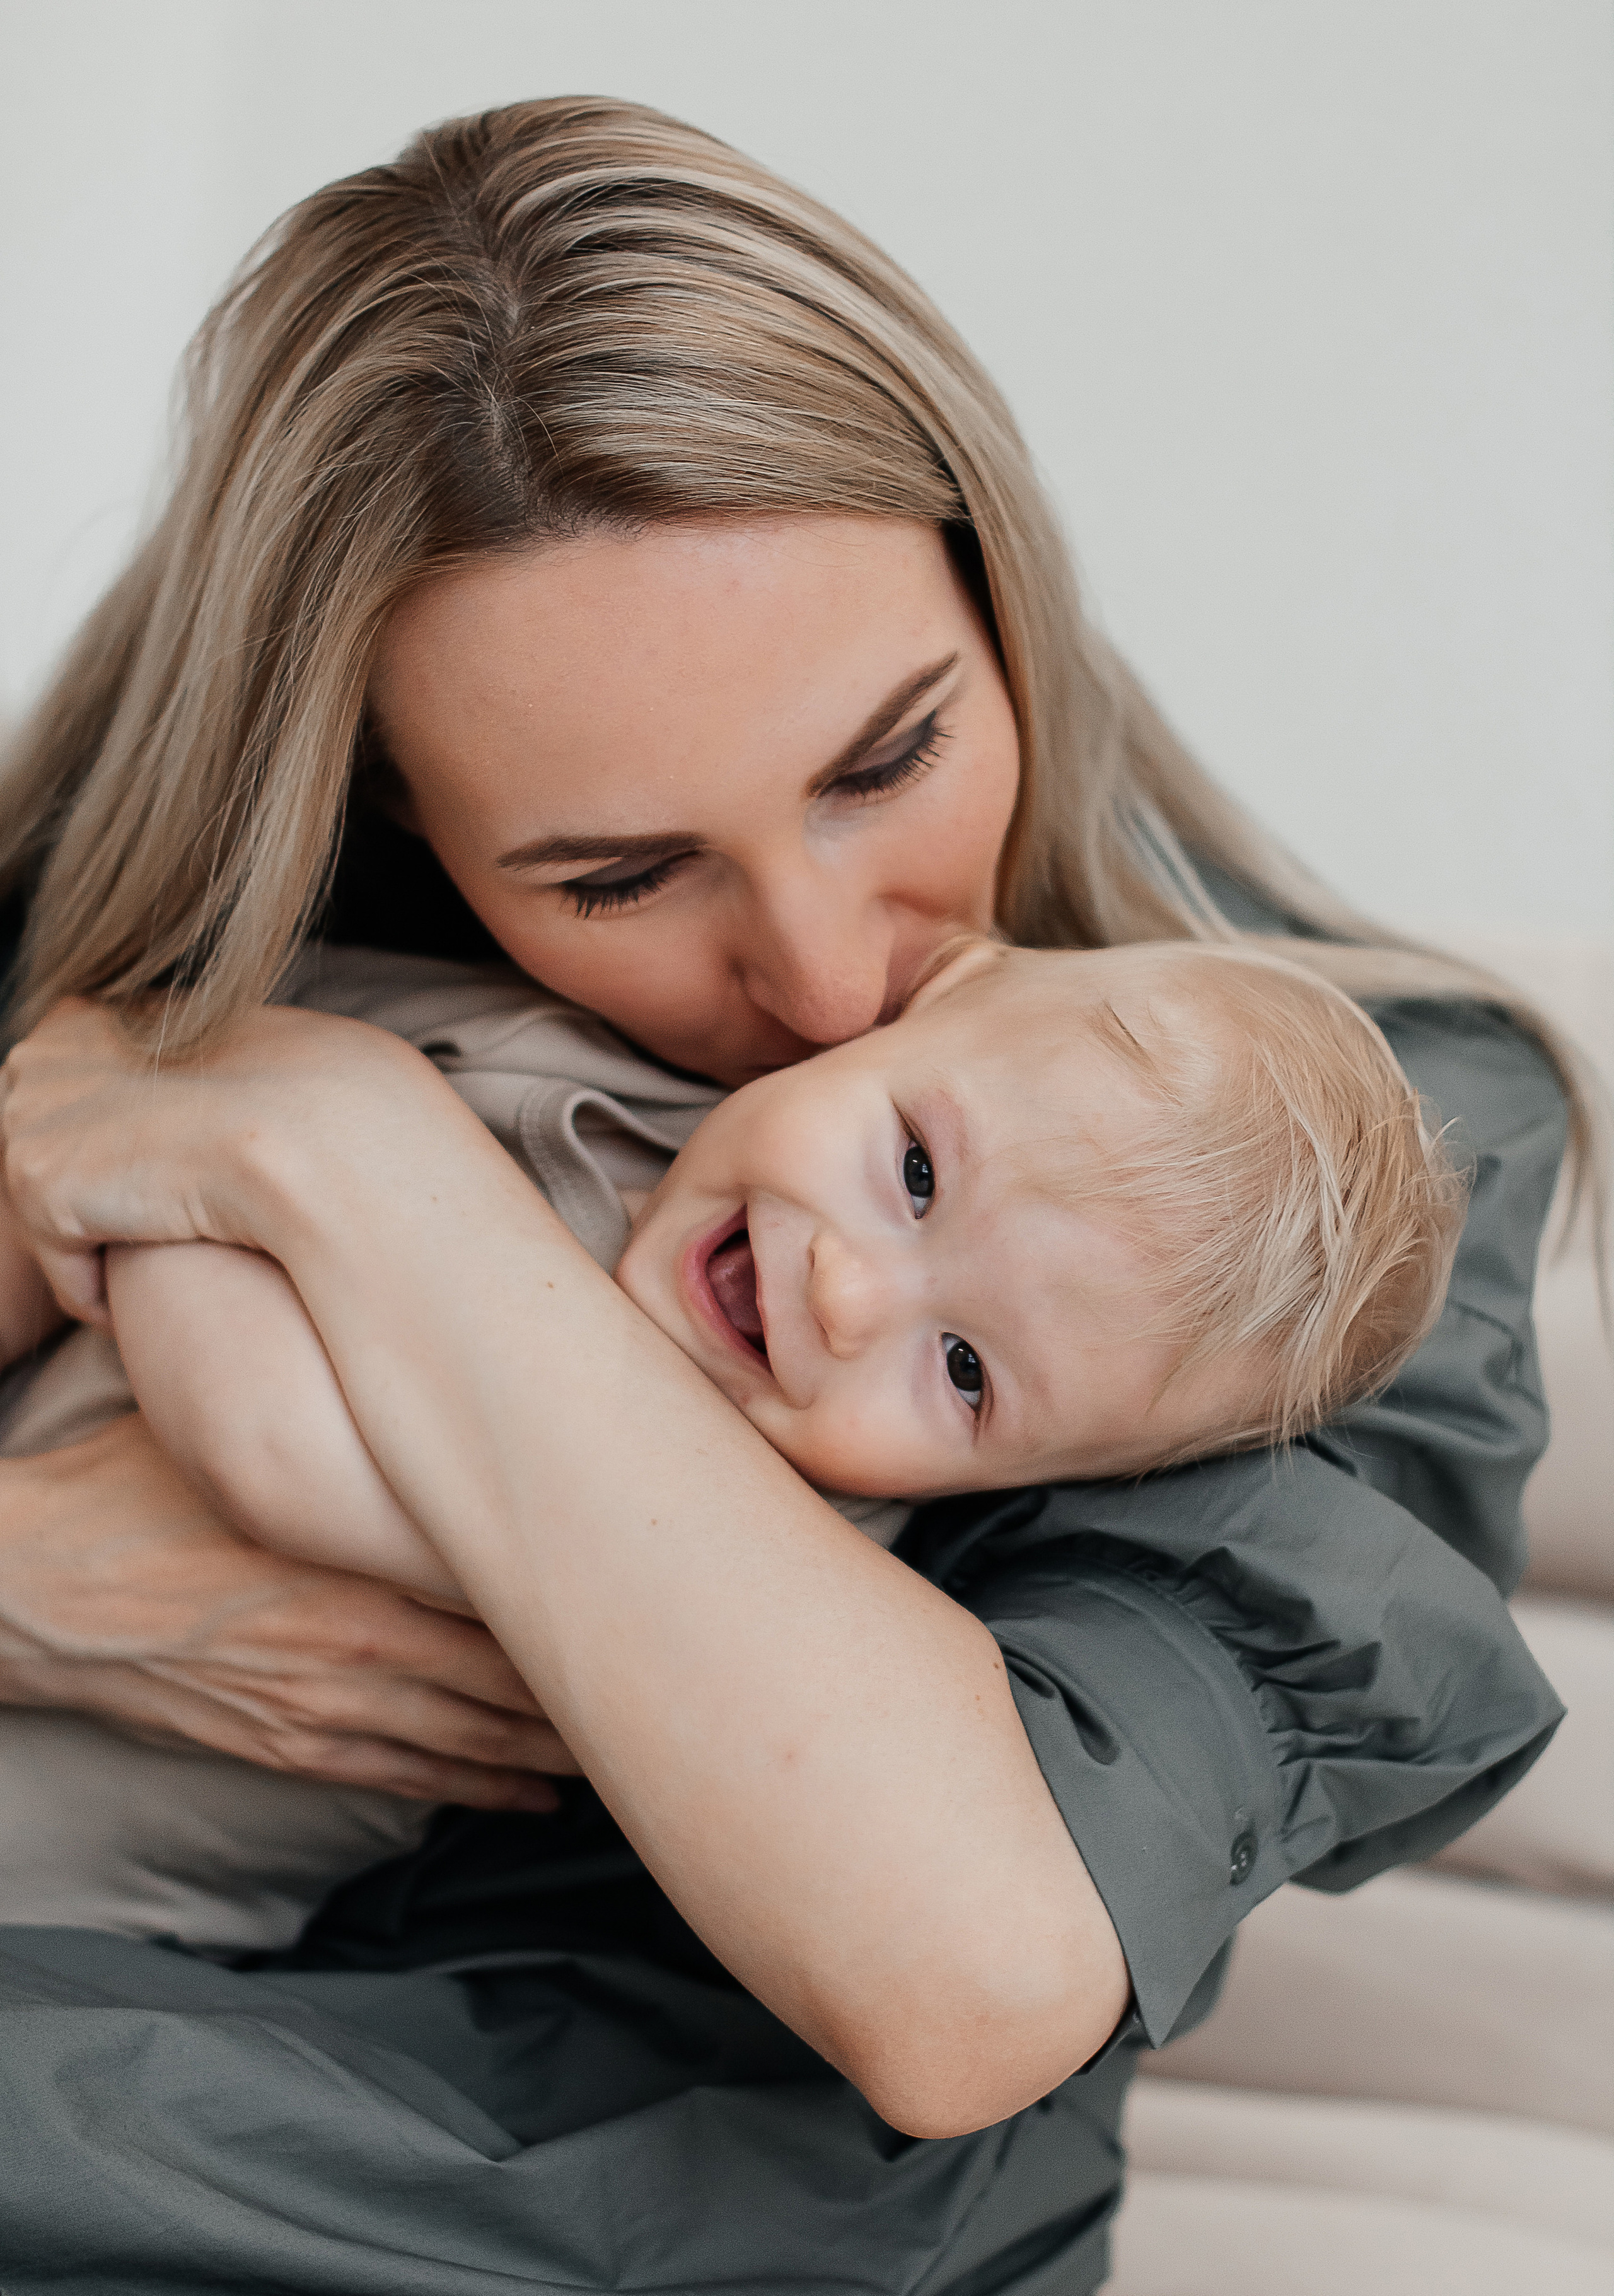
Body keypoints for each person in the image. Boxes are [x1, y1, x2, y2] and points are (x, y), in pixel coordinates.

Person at [0, 96, 1582, 2294]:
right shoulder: (215, 941)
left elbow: (965, 1973)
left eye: (891, 755)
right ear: (392, 809)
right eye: (616, 875)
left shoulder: (1352, 1163)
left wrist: (341, 1148)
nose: (830, 978)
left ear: (995, 590)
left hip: (660, 2196)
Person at [0, 931, 1468, 1950]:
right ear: (927, 994)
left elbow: (262, 1441)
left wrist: (204, 1169)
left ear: (1032, 1481)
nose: (843, 1292)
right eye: (912, 1169)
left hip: (56, 1877)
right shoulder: (570, 1060)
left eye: (960, 1371)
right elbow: (127, 1063)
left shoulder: (765, 1546)